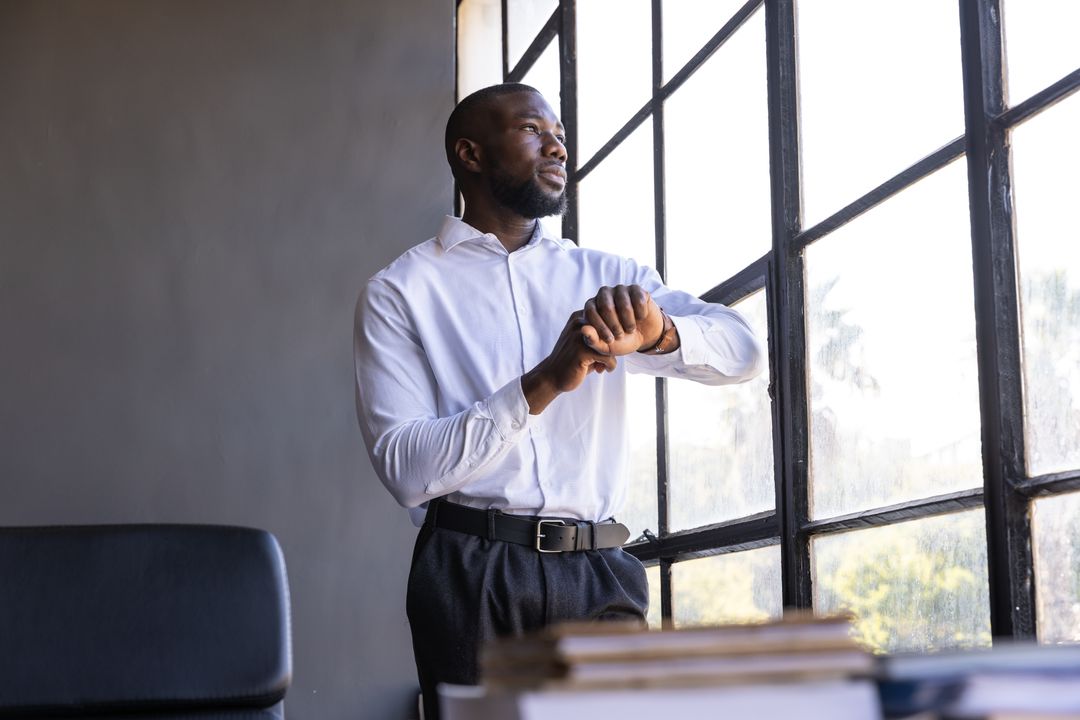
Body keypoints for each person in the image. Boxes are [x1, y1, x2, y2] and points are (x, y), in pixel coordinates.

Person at [353, 82, 765, 719]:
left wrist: (659, 332)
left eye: (561, 134)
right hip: (472, 573)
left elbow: (744, 352)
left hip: (600, 568)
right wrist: (546, 378)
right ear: (471, 153)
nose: (558, 146)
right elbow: (408, 470)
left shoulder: (608, 277)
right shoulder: (401, 291)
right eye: (532, 130)